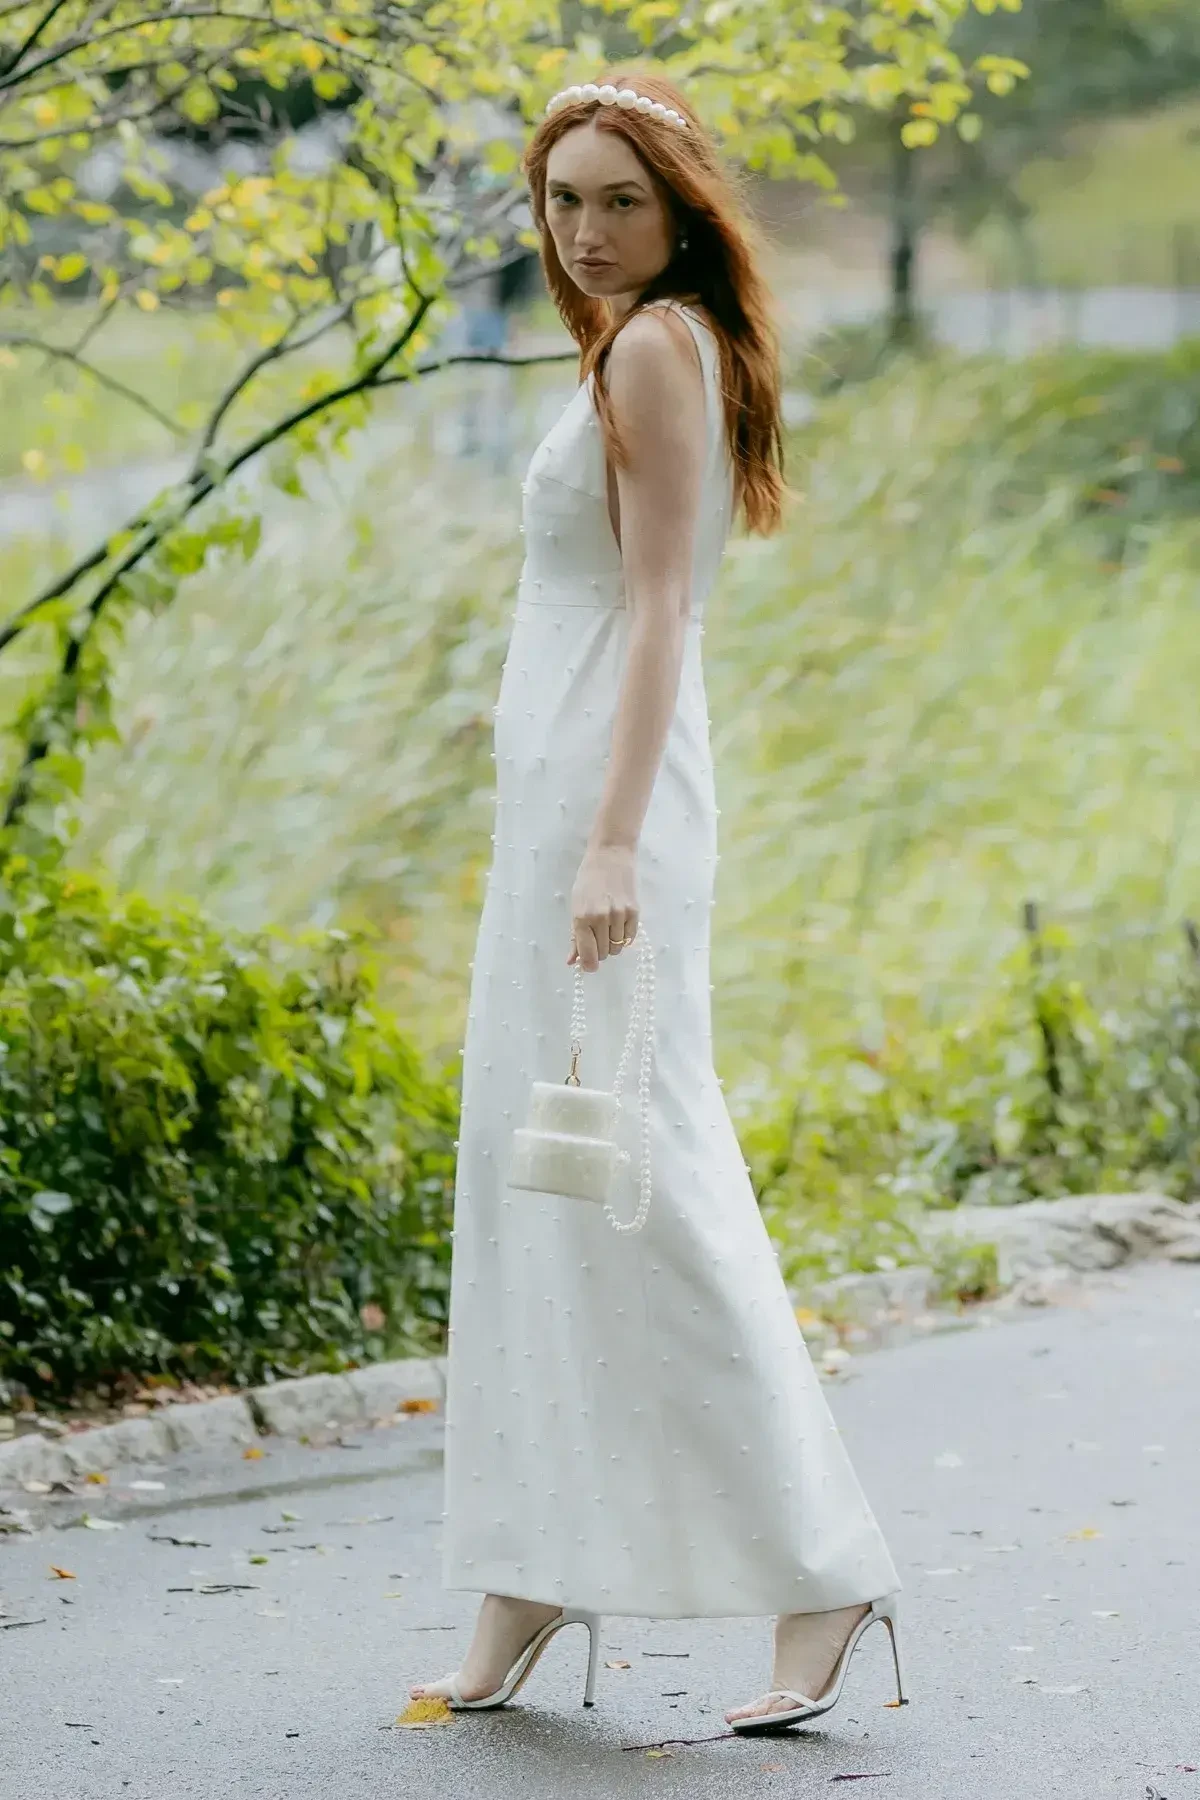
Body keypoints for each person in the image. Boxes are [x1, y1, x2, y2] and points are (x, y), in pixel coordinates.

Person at [410, 69, 906, 1733]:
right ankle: (532, 1567)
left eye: (622, 198)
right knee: (541, 1176)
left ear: (684, 207)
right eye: (565, 201)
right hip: (559, 809)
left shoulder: (655, 348)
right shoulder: (623, 346)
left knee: (642, 1171)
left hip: (603, 820)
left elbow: (659, 616)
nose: (589, 229)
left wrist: (612, 845)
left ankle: (820, 1569)